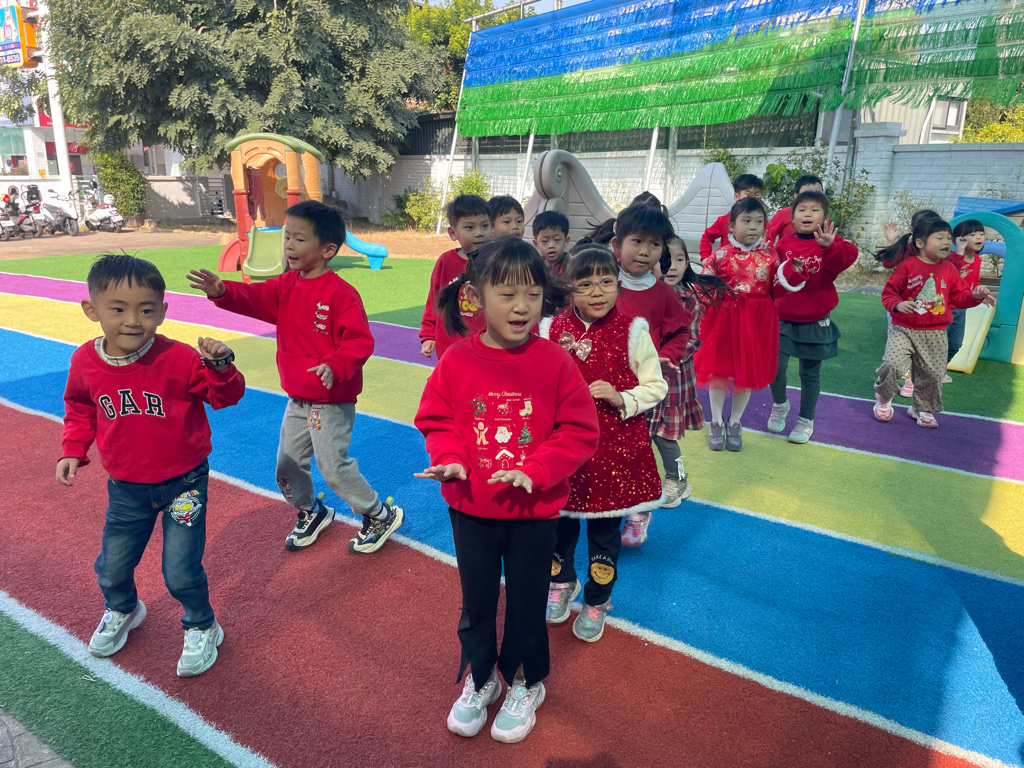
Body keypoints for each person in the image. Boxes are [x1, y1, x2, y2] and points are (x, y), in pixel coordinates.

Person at [414, 236, 599, 744]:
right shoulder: (457, 360)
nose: (522, 307)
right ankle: (481, 677)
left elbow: (579, 431)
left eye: (533, 295)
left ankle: (524, 680)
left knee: (525, 603)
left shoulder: (556, 361)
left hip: (534, 514)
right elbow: (436, 421)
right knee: (475, 603)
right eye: (508, 294)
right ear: (475, 296)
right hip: (470, 510)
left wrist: (536, 469)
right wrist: (450, 459)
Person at [57, 254, 245, 677]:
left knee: (180, 570)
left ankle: (202, 625)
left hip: (185, 483)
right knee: (112, 567)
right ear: (91, 310)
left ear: (162, 311)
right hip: (126, 488)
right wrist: (72, 449)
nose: (132, 321)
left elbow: (225, 397)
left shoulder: (179, 358)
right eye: (117, 309)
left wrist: (220, 366)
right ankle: (124, 607)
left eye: (145, 310)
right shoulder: (84, 362)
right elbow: (80, 409)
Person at [188, 200, 404, 555]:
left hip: (329, 401)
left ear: (327, 250)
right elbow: (254, 297)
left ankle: (379, 514)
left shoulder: (340, 294)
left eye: (299, 239)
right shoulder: (286, 284)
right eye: (287, 237)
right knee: (287, 465)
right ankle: (311, 511)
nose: (288, 245)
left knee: (333, 466)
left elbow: (359, 341)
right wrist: (223, 291)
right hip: (298, 399)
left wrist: (335, 364)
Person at [540, 246, 667, 643]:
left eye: (606, 282)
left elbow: (656, 385)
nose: (597, 292)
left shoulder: (633, 331)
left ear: (619, 284)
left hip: (613, 450)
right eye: (586, 284)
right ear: (569, 288)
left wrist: (621, 396)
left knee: (605, 532)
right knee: (558, 524)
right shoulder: (548, 329)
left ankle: (597, 600)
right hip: (562, 448)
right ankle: (561, 581)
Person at [610, 203, 692, 545]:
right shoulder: (605, 284)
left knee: (638, 449)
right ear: (617, 245)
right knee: (606, 447)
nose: (645, 251)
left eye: (654, 244)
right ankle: (608, 502)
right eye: (637, 241)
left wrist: (664, 357)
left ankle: (639, 512)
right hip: (604, 385)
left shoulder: (662, 293)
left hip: (642, 390)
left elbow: (682, 332)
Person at [872, 216, 994, 428]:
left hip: (936, 331)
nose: (946, 242)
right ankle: (883, 398)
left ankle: (922, 408)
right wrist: (898, 304)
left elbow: (959, 298)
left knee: (934, 373)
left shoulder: (949, 269)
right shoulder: (907, 266)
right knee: (892, 364)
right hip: (904, 328)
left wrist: (975, 296)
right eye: (940, 238)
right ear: (920, 242)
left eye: (948, 238)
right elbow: (889, 294)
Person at [695, 197, 791, 451]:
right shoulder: (720, 255)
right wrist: (702, 313)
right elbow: (703, 286)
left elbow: (778, 289)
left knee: (745, 375)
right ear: (731, 226)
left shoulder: (771, 256)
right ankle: (716, 421)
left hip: (757, 323)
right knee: (718, 372)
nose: (753, 227)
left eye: (759, 221)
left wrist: (795, 273)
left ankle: (735, 422)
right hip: (724, 321)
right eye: (746, 221)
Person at [766, 191, 858, 444]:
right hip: (783, 318)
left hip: (815, 319)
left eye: (814, 210)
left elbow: (843, 261)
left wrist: (830, 246)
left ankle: (805, 419)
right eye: (802, 209)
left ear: (825, 217)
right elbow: (773, 276)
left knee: (809, 372)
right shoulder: (782, 244)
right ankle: (779, 404)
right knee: (774, 367)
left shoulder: (831, 242)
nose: (807, 214)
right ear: (792, 216)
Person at [653, 236, 707, 501]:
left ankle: (677, 480)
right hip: (641, 378)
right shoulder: (644, 294)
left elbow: (692, 339)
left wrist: (664, 360)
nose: (672, 266)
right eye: (667, 259)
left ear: (687, 264)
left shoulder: (689, 299)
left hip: (673, 379)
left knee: (664, 435)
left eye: (680, 259)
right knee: (638, 432)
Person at [876, 209, 943, 397]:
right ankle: (889, 383)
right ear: (912, 230)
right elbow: (887, 263)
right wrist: (890, 241)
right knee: (897, 345)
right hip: (900, 306)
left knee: (921, 346)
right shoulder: (905, 250)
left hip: (926, 307)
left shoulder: (938, 252)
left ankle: (911, 379)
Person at [420, 194, 492, 360]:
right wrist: (428, 334)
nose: (479, 233)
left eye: (485, 225)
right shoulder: (445, 261)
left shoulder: (498, 261)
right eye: (470, 227)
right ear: (453, 233)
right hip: (450, 348)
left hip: (487, 348)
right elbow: (434, 300)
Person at [945, 219, 986, 380]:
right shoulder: (951, 258)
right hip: (945, 308)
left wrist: (980, 293)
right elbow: (946, 280)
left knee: (955, 344)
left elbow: (975, 281)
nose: (979, 237)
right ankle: (920, 371)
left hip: (961, 309)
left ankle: (939, 370)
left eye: (982, 234)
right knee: (937, 344)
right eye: (973, 234)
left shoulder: (977, 260)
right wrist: (960, 251)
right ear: (959, 239)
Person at [699, 174, 764, 260]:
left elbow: (768, 244)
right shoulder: (724, 220)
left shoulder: (762, 221)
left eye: (757, 194)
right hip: (727, 266)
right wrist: (705, 257)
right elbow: (707, 237)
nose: (753, 198)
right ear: (736, 196)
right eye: (748, 194)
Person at [766, 174, 823, 244]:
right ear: (796, 195)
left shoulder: (823, 214)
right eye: (807, 193)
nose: (813, 197)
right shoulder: (784, 213)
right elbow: (767, 237)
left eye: (818, 193)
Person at [532, 210, 571, 274]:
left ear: (566, 241)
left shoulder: (571, 265)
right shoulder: (535, 267)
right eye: (544, 241)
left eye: (557, 239)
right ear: (536, 243)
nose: (551, 245)